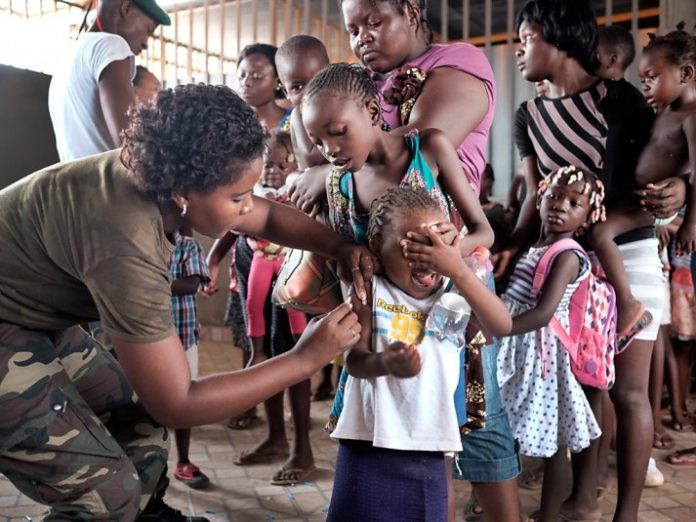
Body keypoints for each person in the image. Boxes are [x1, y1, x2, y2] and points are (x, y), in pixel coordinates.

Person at [0, 83, 369, 522]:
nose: (247, 207)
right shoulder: (125, 242)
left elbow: (265, 215)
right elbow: (178, 403)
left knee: (138, 428)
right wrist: (305, 359)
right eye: (237, 198)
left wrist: (339, 248)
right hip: (9, 320)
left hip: (32, 312)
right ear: (183, 194)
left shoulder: (167, 178)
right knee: (103, 495)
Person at [497, 2, 686, 520]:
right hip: (568, 259)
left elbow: (663, 162)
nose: (519, 49)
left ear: (557, 38)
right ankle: (582, 496)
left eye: (527, 37)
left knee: (627, 391)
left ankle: (624, 513)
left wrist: (681, 189)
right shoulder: (528, 115)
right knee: (583, 382)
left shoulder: (619, 99)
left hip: (631, 250)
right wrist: (513, 242)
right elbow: (538, 195)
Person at [327, 186, 512, 522]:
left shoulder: (454, 292)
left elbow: (501, 325)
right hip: (367, 442)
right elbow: (354, 361)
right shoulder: (371, 289)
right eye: (412, 247)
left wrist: (457, 268)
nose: (428, 259)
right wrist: (385, 363)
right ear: (378, 252)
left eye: (436, 246)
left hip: (429, 447)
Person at [497, 166, 606, 521]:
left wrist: (495, 327)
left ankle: (548, 515)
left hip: (538, 355)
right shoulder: (536, 244)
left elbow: (544, 314)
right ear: (540, 196)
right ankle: (498, 502)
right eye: (555, 196)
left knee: (554, 444)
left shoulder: (567, 254)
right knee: (509, 430)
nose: (561, 205)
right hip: (516, 346)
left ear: (589, 216)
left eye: (575, 203)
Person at [588, 26, 696, 345]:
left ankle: (630, 305)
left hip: (648, 205)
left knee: (600, 233)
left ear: (686, 73)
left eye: (652, 77)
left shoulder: (691, 117)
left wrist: (691, 223)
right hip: (634, 198)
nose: (645, 84)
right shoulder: (663, 111)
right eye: (643, 78)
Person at [210, 42, 295, 432]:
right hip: (245, 245)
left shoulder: (293, 125)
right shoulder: (234, 126)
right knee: (250, 333)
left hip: (286, 249)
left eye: (258, 75)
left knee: (286, 339)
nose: (247, 81)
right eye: (242, 74)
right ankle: (255, 405)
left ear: (278, 80)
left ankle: (290, 438)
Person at [48, 0, 170, 161]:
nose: (146, 43)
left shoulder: (70, 56)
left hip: (74, 181)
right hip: (105, 183)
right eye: (148, 30)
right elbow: (131, 143)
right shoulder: (111, 45)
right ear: (126, 9)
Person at [168, 230, 212, 490]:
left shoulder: (188, 246)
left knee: (185, 399)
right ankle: (144, 463)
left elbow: (190, 285)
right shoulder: (141, 241)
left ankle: (183, 461)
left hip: (183, 336)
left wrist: (148, 282)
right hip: (146, 339)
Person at [276, 35, 331, 170]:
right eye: (297, 87)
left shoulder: (338, 107)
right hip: (313, 186)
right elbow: (312, 158)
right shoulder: (298, 115)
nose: (310, 91)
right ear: (286, 93)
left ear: (331, 74)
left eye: (319, 80)